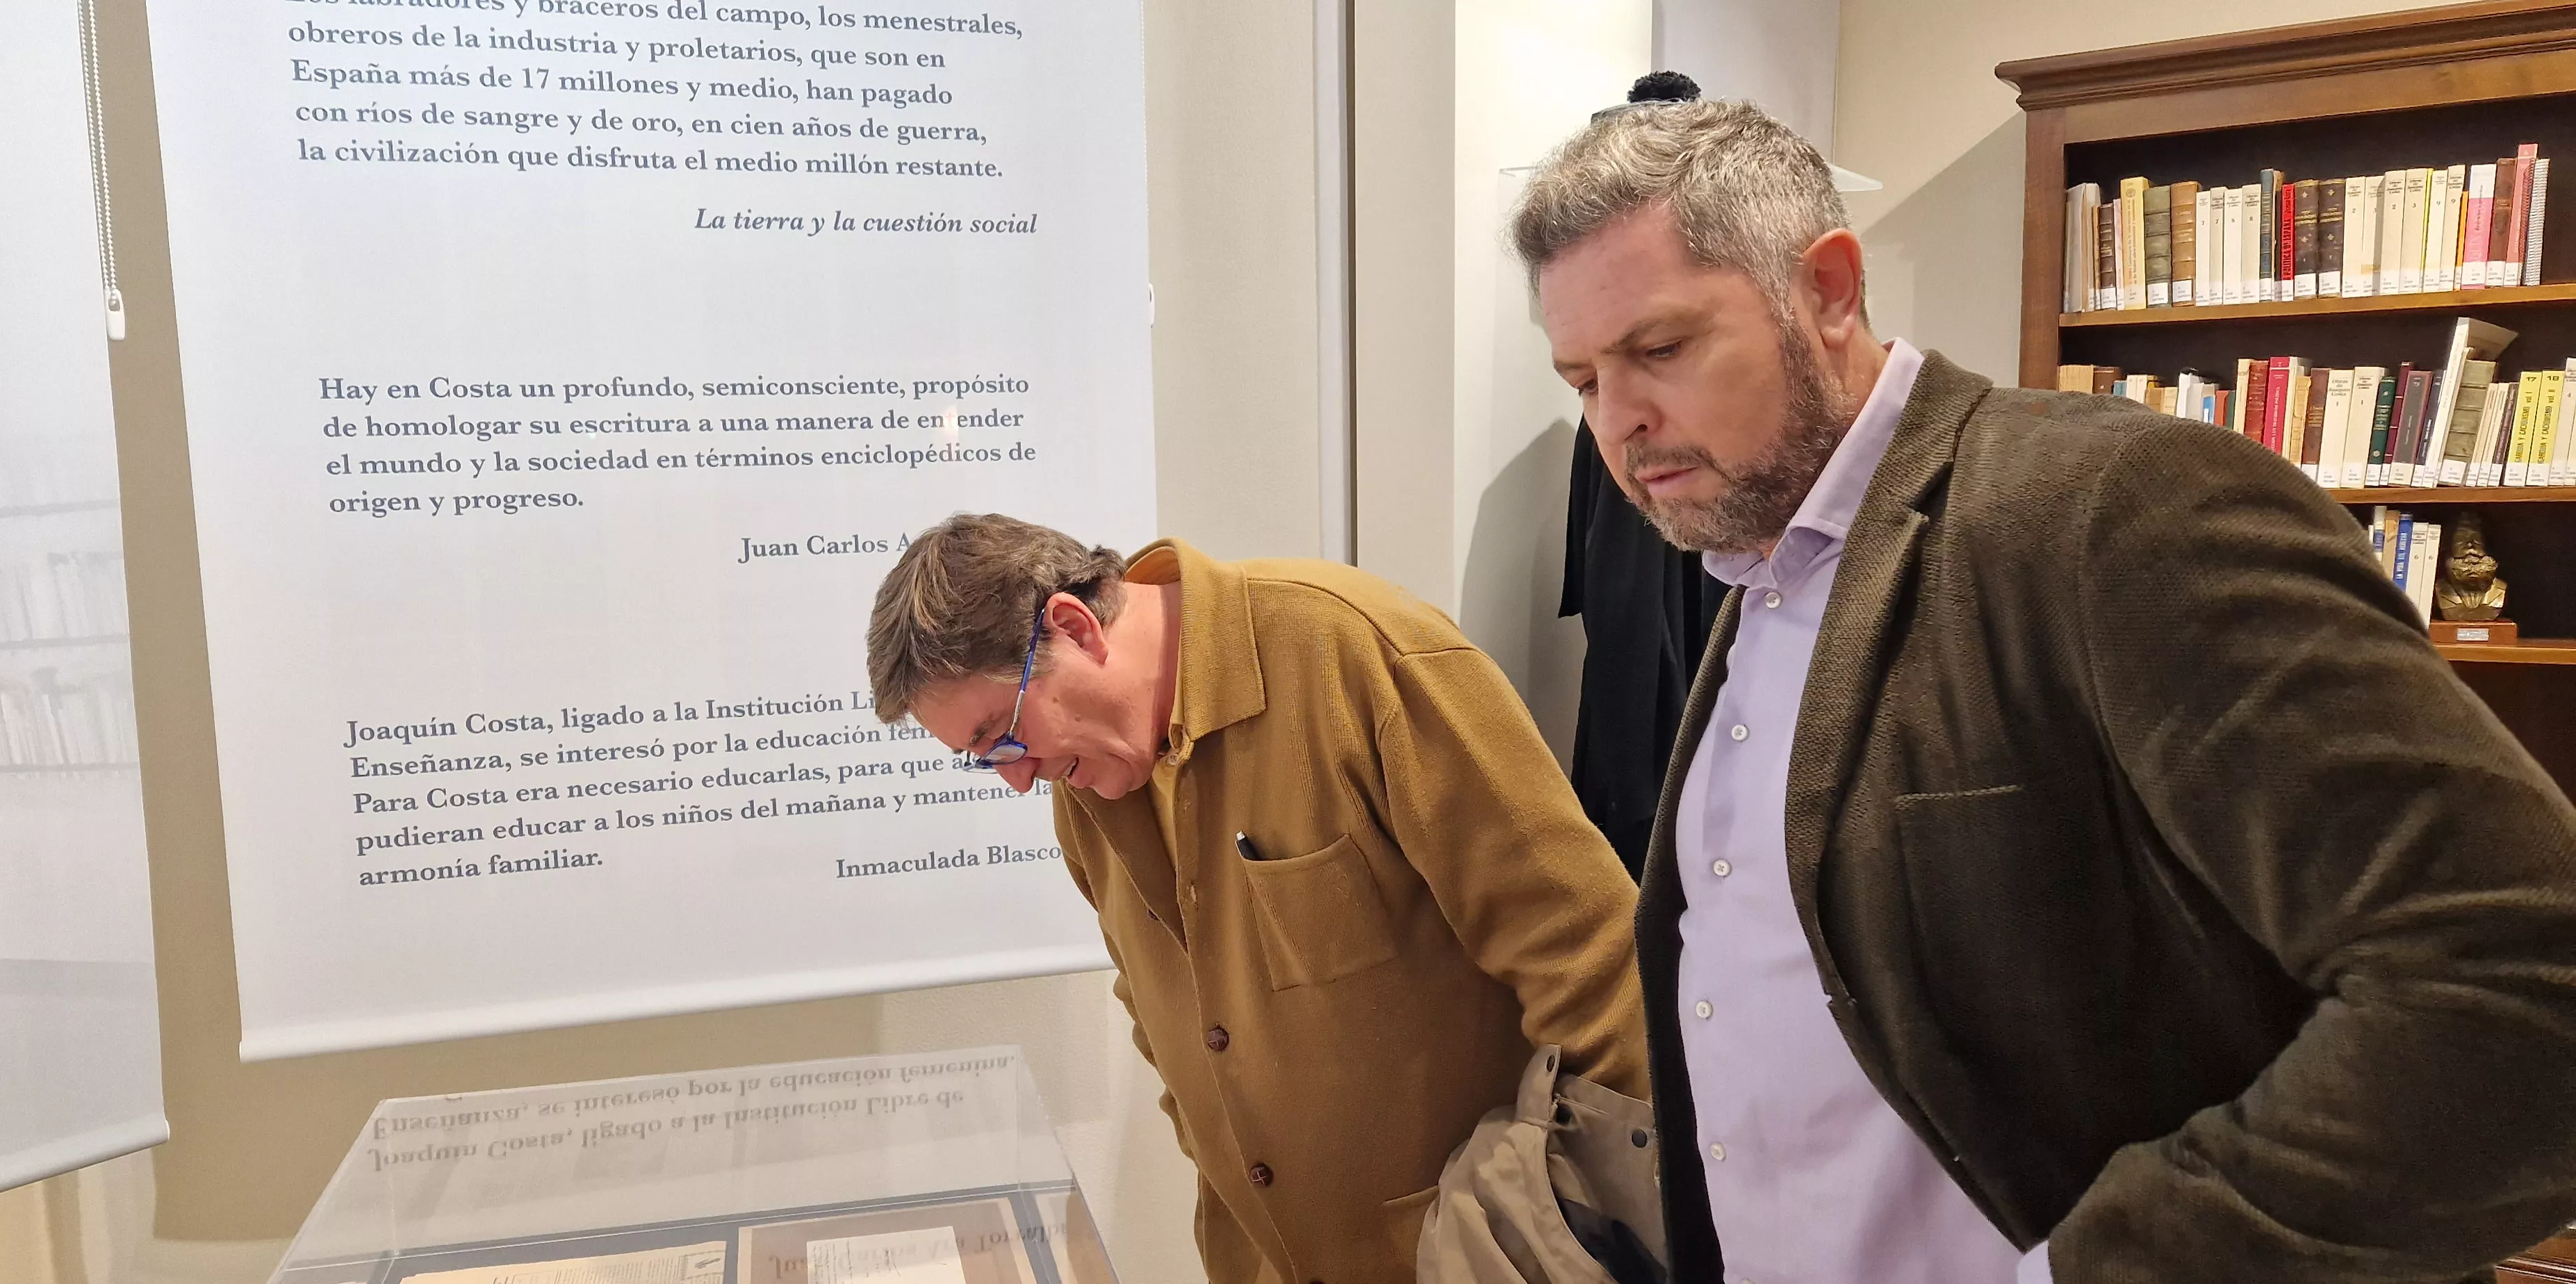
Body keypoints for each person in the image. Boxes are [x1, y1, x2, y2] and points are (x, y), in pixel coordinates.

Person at [1513, 78, 2576, 1284]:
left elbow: (2525, 987)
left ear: (1827, 290)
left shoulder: (2112, 511)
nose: (1622, 421)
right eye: (1584, 381)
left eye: (1660, 348)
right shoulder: (1758, 564)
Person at [862, 516, 1649, 1284]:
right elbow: (1161, 1013)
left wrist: (1570, 1224)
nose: (1016, 775)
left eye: (1003, 732)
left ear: (1073, 627)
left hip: (1481, 1254)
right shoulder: (1089, 794)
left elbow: (1591, 953)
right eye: (982, 759)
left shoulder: (1352, 652)